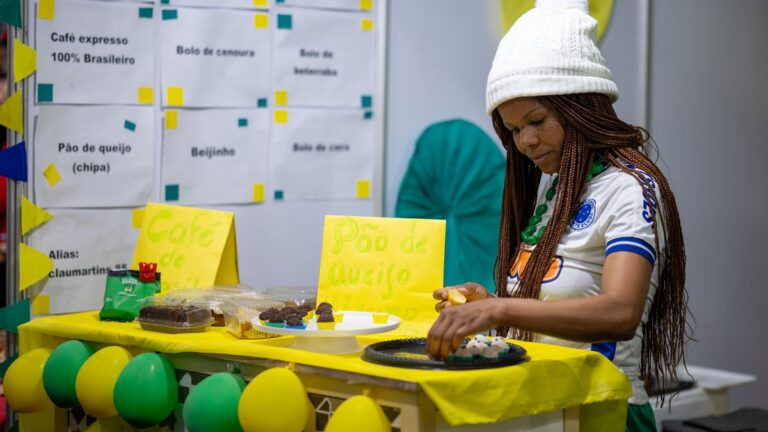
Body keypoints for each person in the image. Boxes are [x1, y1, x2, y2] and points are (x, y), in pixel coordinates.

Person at [426, 1, 688, 430]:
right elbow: (552, 314)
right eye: (513, 129)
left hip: (604, 412)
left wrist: (501, 313)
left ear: (580, 108)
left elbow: (620, 313)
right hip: (549, 409)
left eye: (538, 120)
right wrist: (490, 303)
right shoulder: (554, 186)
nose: (526, 141)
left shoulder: (629, 187)